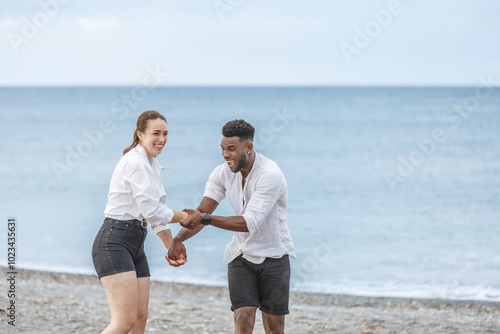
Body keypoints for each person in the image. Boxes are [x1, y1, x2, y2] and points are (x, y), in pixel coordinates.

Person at [168, 119, 295, 334]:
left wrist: (206, 218)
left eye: (231, 149)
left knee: (274, 328)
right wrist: (177, 240)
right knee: (243, 317)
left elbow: (248, 223)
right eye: (223, 149)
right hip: (241, 257)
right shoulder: (222, 173)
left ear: (248, 147)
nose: (225, 154)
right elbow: (202, 211)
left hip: (274, 258)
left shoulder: (270, 175)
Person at [92, 110, 187, 334]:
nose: (162, 139)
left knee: (139, 318)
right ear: (140, 134)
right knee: (123, 322)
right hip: (114, 241)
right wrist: (185, 216)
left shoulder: (151, 164)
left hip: (135, 243)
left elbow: (154, 217)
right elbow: (154, 212)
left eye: (165, 133)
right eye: (156, 133)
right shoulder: (135, 163)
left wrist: (171, 247)